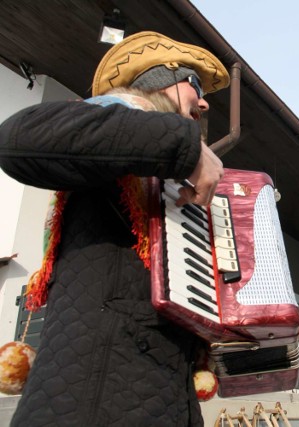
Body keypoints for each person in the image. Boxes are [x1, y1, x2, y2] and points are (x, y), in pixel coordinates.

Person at [0, 31, 230, 426]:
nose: (204, 102)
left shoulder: (164, 178)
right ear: (158, 83)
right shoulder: (113, 114)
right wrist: (184, 146)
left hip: (160, 397)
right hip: (93, 398)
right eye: (193, 84)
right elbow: (17, 140)